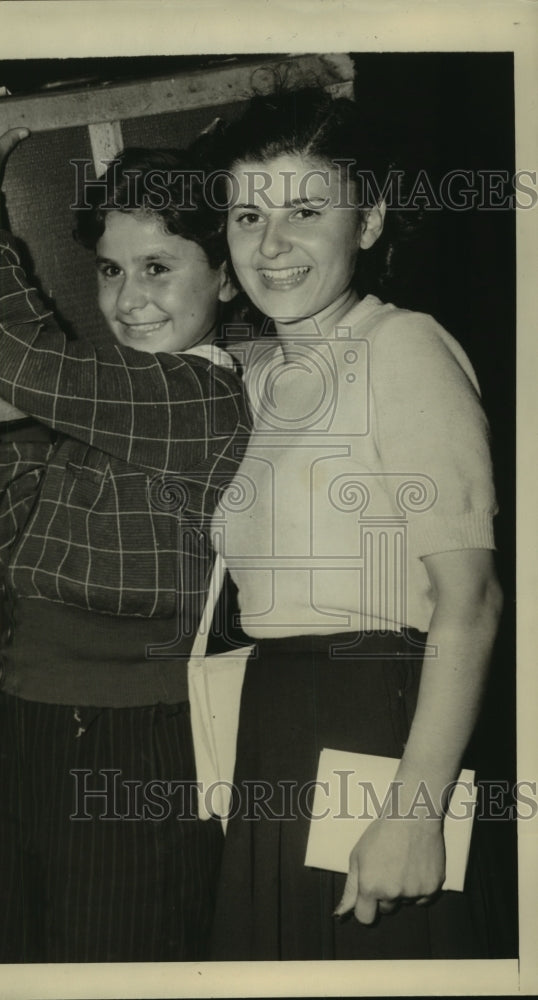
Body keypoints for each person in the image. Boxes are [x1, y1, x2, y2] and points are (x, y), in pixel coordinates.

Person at [0, 92, 251, 963]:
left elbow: (11, 354)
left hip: (138, 742)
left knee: (110, 967)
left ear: (229, 275)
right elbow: (22, 550)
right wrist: (31, 416)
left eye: (159, 267)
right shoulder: (105, 393)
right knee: (5, 961)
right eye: (108, 268)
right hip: (29, 715)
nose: (128, 299)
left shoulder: (205, 395)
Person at [201, 88, 503, 960]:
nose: (271, 243)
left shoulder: (402, 346)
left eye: (306, 210)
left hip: (376, 722)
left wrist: (415, 811)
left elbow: (472, 600)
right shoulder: (257, 379)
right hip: (274, 723)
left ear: (367, 223)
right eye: (247, 214)